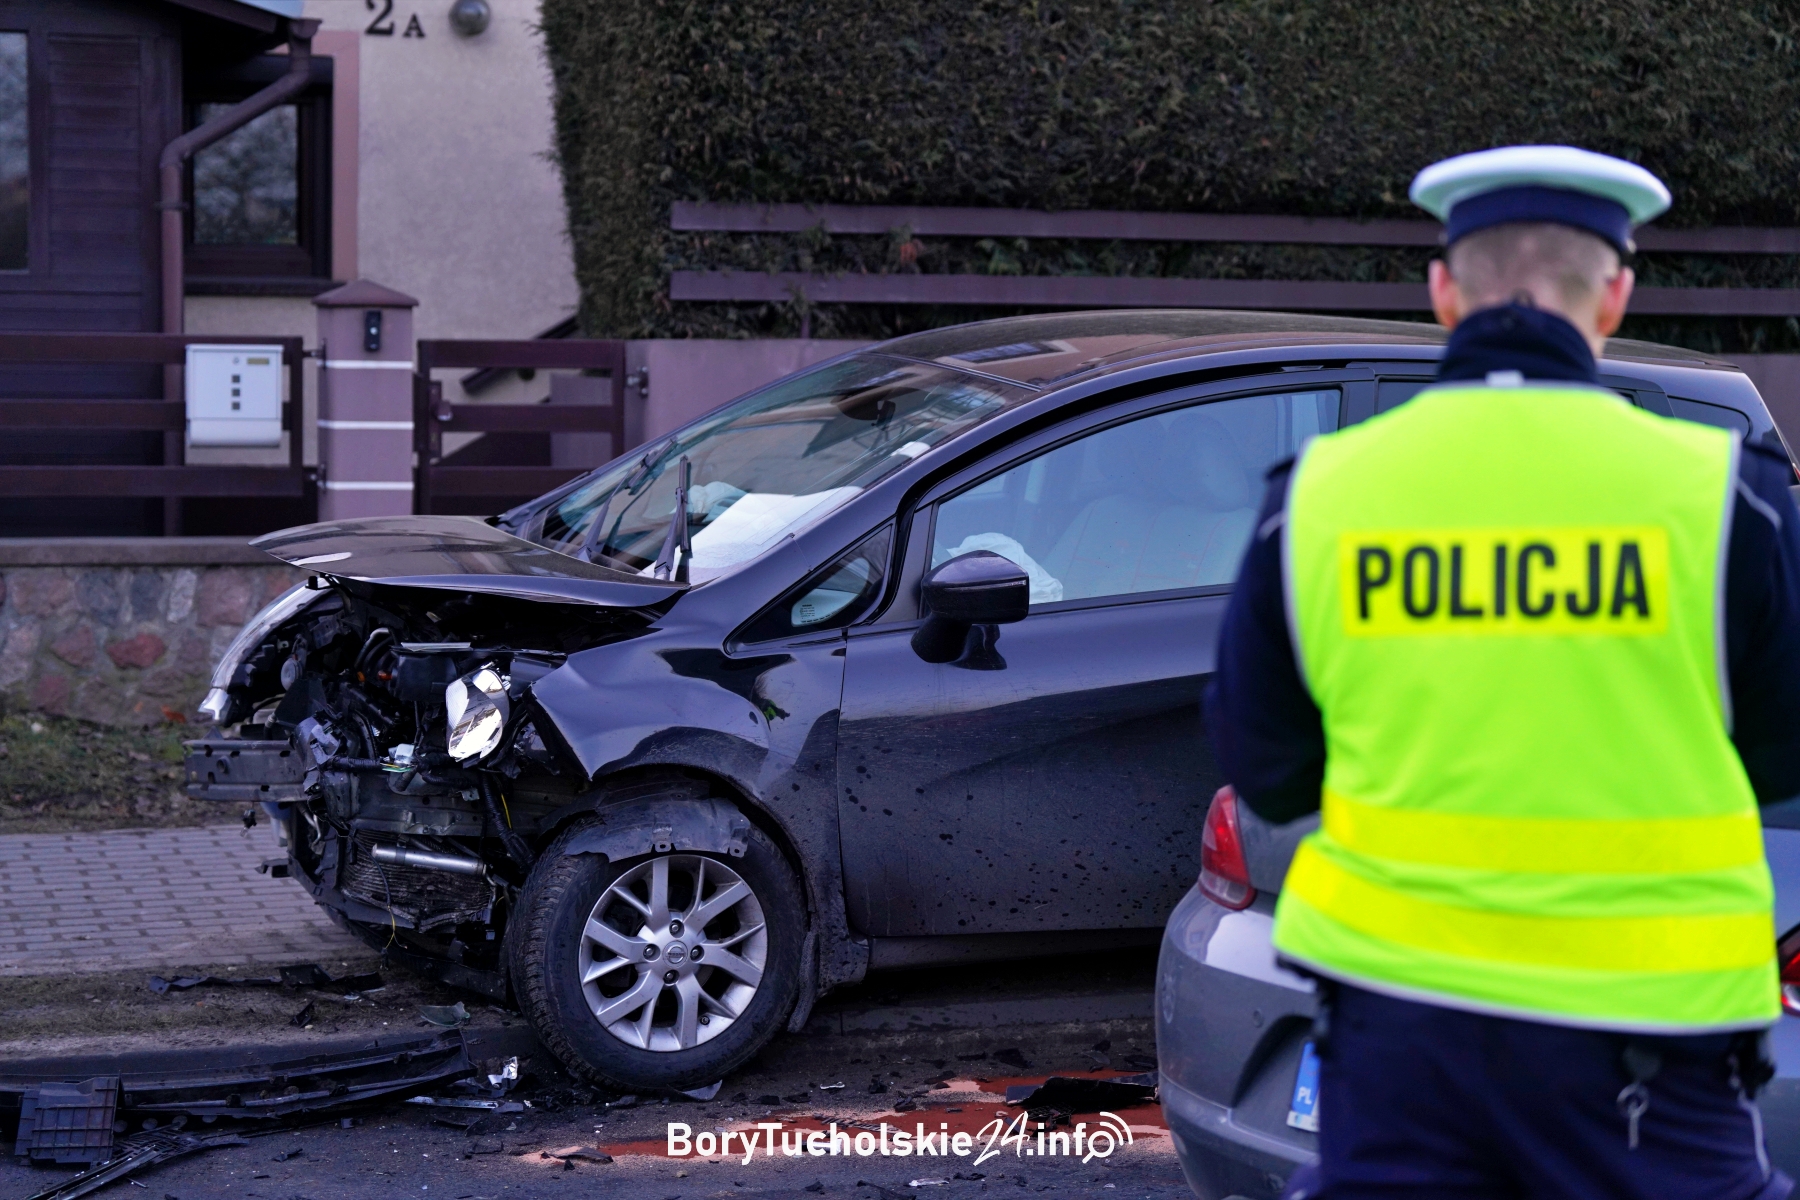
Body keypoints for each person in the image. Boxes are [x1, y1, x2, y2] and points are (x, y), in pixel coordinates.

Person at [1206, 144, 1800, 1199]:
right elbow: (1784, 751)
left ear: (1443, 291)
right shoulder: (1724, 496)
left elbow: (1268, 771)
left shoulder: (1320, 497)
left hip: (1396, 1039)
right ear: (1615, 294)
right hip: (1648, 1044)